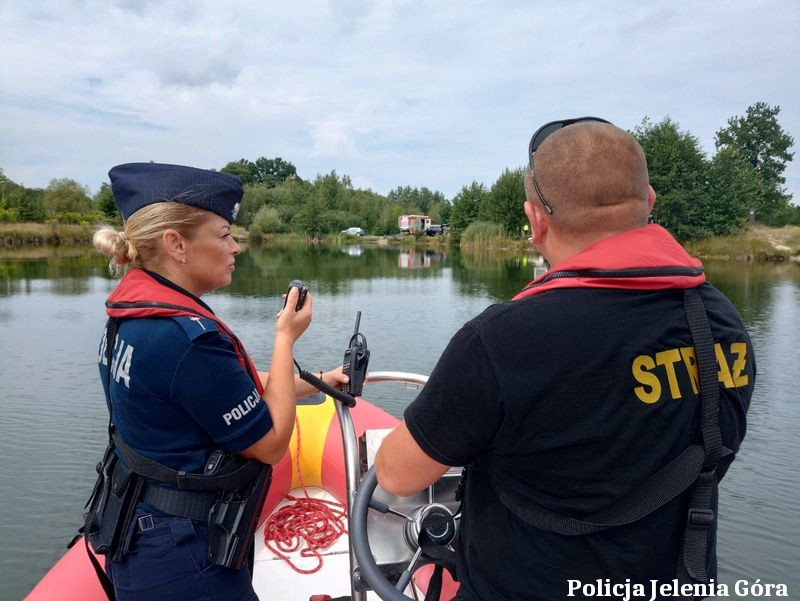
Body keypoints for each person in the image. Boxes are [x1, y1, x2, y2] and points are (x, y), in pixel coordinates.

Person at [375, 119, 754, 600]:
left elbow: (396, 474)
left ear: (535, 219)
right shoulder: (721, 321)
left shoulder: (503, 342)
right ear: (649, 201)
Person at [88, 162, 347, 601]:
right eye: (224, 234)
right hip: (184, 554)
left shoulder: (133, 317)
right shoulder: (185, 340)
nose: (236, 247)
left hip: (140, 528)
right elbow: (270, 444)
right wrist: (285, 337)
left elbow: (224, 388)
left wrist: (323, 382)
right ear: (177, 244)